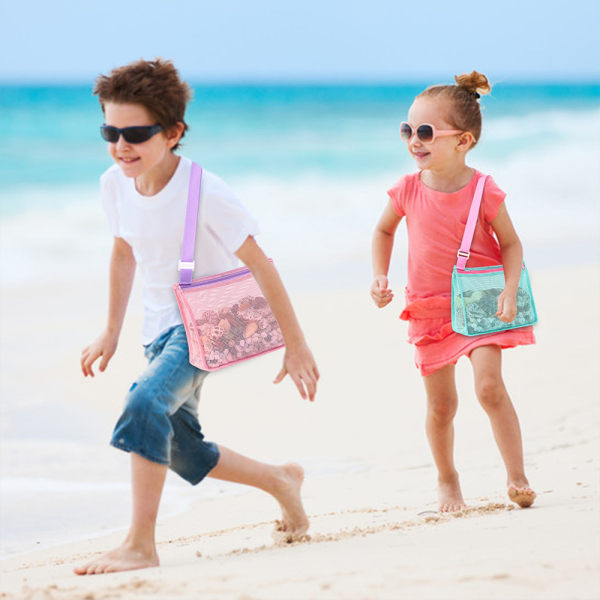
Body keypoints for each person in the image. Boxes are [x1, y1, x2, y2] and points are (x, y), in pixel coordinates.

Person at [76, 59, 319, 575]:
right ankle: (281, 480)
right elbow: (124, 252)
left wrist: (295, 344)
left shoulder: (206, 192)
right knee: (181, 449)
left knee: (144, 403)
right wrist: (111, 331)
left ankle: (140, 543)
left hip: (208, 325)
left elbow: (262, 265)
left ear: (174, 132)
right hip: (156, 328)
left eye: (136, 133)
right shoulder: (114, 184)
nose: (121, 145)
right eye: (110, 131)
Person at [371, 71, 536, 513]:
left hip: (481, 302)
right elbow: (384, 230)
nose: (414, 141)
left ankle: (517, 474)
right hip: (428, 309)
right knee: (441, 407)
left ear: (463, 141)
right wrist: (380, 276)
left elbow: (512, 244)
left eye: (425, 132)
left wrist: (510, 288)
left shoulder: (484, 191)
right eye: (408, 130)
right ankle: (447, 480)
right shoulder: (407, 189)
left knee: (489, 388)